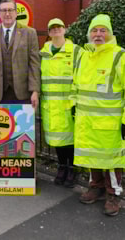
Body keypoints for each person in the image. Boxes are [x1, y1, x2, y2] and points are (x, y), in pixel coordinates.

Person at [71, 14, 125, 216]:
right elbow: (75, 84)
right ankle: (95, 186)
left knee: (113, 160)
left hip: (111, 124)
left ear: (110, 33)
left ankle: (113, 194)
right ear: (89, 34)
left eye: (102, 30)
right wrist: (74, 104)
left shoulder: (121, 57)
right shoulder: (82, 56)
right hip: (86, 122)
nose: (98, 34)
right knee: (92, 157)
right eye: (95, 30)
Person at [40, 18, 84, 188]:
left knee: (70, 139)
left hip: (69, 104)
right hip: (50, 105)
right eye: (53, 28)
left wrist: (76, 100)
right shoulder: (42, 53)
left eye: (59, 27)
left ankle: (72, 168)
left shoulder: (76, 51)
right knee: (57, 139)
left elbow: (82, 77)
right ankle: (62, 166)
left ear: (65, 30)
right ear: (49, 33)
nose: (56, 30)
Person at [0, 0, 40, 108]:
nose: (7, 13)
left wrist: (35, 91)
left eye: (10, 10)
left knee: (21, 125)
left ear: (16, 13)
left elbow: (34, 64)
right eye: (4, 10)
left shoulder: (30, 33)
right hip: (0, 94)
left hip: (23, 94)